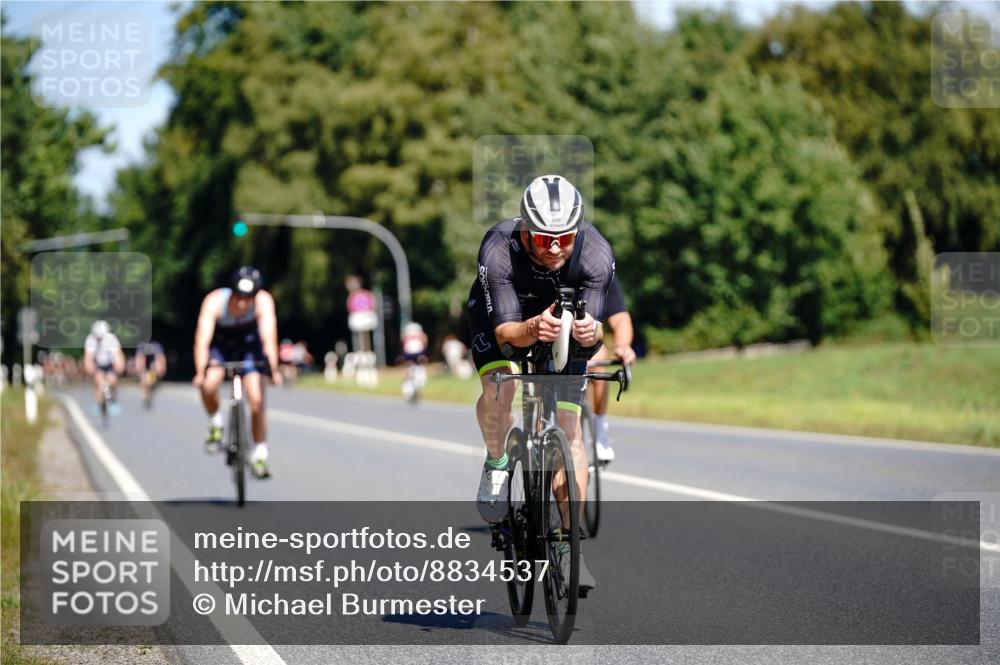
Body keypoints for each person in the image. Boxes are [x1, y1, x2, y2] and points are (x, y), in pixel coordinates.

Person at [468, 174, 615, 594]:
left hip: (563, 323)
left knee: (569, 433)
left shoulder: (596, 254)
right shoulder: (498, 247)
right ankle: (497, 461)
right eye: (543, 239)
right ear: (525, 230)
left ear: (577, 232)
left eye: (564, 238)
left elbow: (597, 331)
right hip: (505, 317)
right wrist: (533, 327)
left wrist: (590, 332)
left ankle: (568, 547)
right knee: (501, 388)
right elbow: (506, 334)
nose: (554, 248)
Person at [192, 266, 282, 478]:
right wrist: (200, 372)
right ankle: (215, 422)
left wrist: (273, 369)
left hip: (250, 347)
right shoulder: (214, 301)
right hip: (221, 346)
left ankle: (259, 453)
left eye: (248, 298)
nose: (242, 302)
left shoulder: (264, 301)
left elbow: (269, 337)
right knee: (209, 384)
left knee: (257, 400)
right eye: (238, 296)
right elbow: (202, 340)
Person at [587, 275, 637, 462]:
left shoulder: (599, 271)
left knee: (599, 361)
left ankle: (600, 430)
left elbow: (620, 317)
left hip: (586, 340)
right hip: (549, 338)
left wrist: (622, 345)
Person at [83, 320, 126, 412]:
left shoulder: (112, 339)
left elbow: (118, 354)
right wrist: (89, 367)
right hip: (98, 364)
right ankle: (98, 403)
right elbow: (88, 357)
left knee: (112, 381)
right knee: (98, 381)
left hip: (110, 364)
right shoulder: (90, 339)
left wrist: (120, 365)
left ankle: (113, 400)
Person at [400, 321, 429, 402]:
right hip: (417, 351)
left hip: (409, 351)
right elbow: (424, 339)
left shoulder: (407, 333)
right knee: (418, 366)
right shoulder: (419, 334)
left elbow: (403, 340)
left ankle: (409, 385)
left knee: (409, 368)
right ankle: (416, 382)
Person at [135, 339, 167, 408]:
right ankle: (146, 395)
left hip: (153, 367)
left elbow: (160, 358)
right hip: (144, 367)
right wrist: (139, 370)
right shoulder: (141, 346)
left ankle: (150, 393)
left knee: (150, 381)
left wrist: (161, 368)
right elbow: (139, 358)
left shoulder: (156, 345)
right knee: (144, 381)